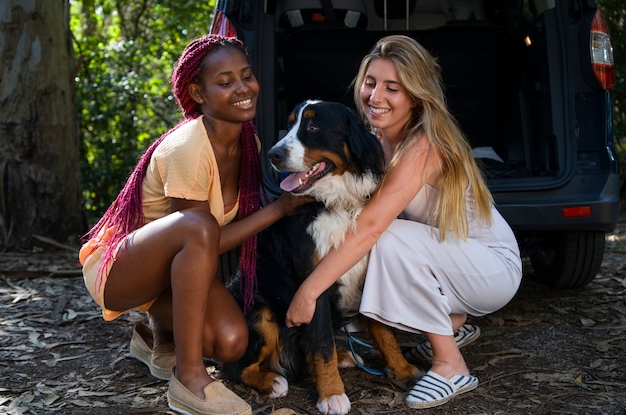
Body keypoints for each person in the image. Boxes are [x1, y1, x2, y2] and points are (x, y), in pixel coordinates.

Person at [285, 34, 523, 409]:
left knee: (384, 235)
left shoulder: (423, 145)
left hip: (491, 266)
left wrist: (309, 292)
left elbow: (370, 226)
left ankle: (450, 365)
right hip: (455, 262)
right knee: (383, 236)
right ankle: (453, 322)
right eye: (370, 83)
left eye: (392, 88)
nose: (375, 96)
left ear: (415, 95)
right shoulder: (376, 140)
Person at [79, 34, 309, 415]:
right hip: (119, 272)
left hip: (171, 274)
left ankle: (156, 334)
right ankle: (189, 378)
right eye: (225, 82)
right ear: (197, 92)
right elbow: (205, 236)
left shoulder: (247, 143)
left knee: (232, 342)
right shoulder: (188, 146)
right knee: (198, 225)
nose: (242, 88)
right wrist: (279, 209)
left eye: (247, 76)